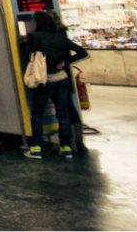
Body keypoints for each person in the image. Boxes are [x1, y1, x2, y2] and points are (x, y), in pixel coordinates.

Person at [24, 10, 89, 161]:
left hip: (44, 81)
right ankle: (66, 148)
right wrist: (65, 62)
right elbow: (82, 52)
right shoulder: (61, 37)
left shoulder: (35, 37)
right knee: (63, 113)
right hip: (62, 80)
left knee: (38, 113)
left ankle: (36, 148)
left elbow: (29, 55)